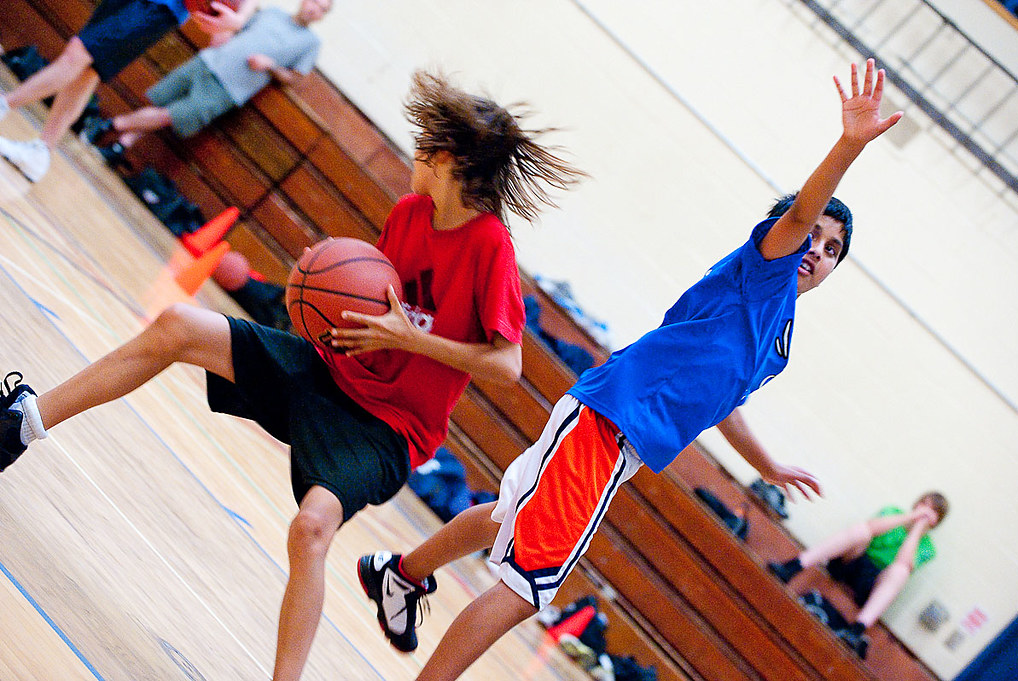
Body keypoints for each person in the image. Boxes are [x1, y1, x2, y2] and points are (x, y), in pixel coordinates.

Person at [0, 70, 584, 681]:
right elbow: (367, 308)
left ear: (444, 160)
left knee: (311, 529)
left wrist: (411, 338)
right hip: (329, 374)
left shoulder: (490, 245)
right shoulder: (410, 213)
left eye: (420, 147)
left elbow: (507, 365)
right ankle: (22, 422)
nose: (410, 154)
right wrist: (313, 294)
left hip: (386, 429)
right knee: (178, 323)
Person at [355, 59, 903, 680]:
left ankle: (399, 575)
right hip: (608, 423)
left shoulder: (776, 338)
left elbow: (719, 402)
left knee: (508, 516)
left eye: (834, 251)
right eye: (814, 237)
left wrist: (766, 466)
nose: (817, 250)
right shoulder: (765, 271)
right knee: (524, 592)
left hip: (618, 439)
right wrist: (848, 146)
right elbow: (803, 215)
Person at [0, 0, 258, 182]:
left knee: (76, 55)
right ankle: (40, 152)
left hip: (157, 6)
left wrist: (239, 19)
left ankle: (5, 104)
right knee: (89, 71)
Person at [82, 0, 330, 167]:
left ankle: (110, 124)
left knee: (173, 115)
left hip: (231, 88)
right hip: (209, 61)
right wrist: (220, 35)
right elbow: (233, 26)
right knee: (161, 103)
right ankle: (120, 146)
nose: (313, 8)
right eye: (314, 1)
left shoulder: (311, 43)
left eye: (321, 8)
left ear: (322, 16)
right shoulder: (271, 13)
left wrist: (271, 66)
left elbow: (295, 77)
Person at [768, 492, 948, 656]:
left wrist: (917, 528)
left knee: (900, 572)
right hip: (852, 562)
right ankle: (792, 567)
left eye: (932, 511)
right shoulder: (893, 512)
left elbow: (903, 562)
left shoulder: (928, 549)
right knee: (862, 531)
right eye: (924, 504)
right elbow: (871, 528)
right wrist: (911, 517)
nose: (925, 511)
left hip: (871, 585)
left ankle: (857, 630)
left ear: (936, 521)